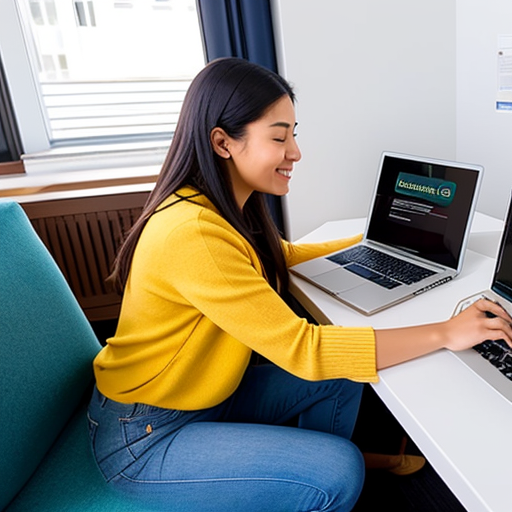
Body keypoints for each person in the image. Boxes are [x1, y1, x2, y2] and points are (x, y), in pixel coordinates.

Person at [88, 57, 512, 512]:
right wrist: (446, 333)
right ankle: (318, 473)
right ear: (223, 142)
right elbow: (304, 350)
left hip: (202, 397)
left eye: (294, 133)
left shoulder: (215, 208)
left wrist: (382, 239)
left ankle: (296, 472)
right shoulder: (192, 233)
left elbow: (281, 259)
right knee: (338, 471)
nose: (295, 151)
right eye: (279, 136)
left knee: (345, 379)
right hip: (146, 435)